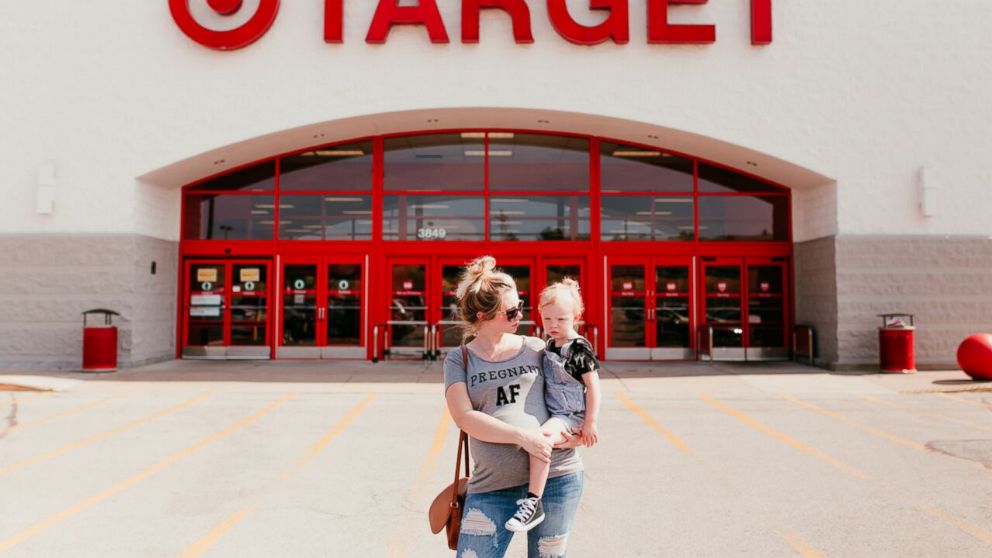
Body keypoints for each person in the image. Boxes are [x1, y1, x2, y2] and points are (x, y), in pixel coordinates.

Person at [444, 256, 584, 558]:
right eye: (511, 311)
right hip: (492, 486)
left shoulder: (536, 347)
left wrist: (579, 432)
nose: (519, 315)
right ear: (484, 314)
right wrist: (523, 437)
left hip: (557, 478)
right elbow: (464, 417)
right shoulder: (460, 359)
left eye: (520, 306)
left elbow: (572, 393)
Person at [505, 279, 601, 533]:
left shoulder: (578, 348)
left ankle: (533, 501)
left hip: (571, 414)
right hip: (557, 413)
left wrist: (589, 422)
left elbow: (593, 386)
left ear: (576, 316)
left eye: (561, 319)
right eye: (548, 319)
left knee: (541, 439)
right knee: (543, 438)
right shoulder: (549, 345)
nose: (553, 325)